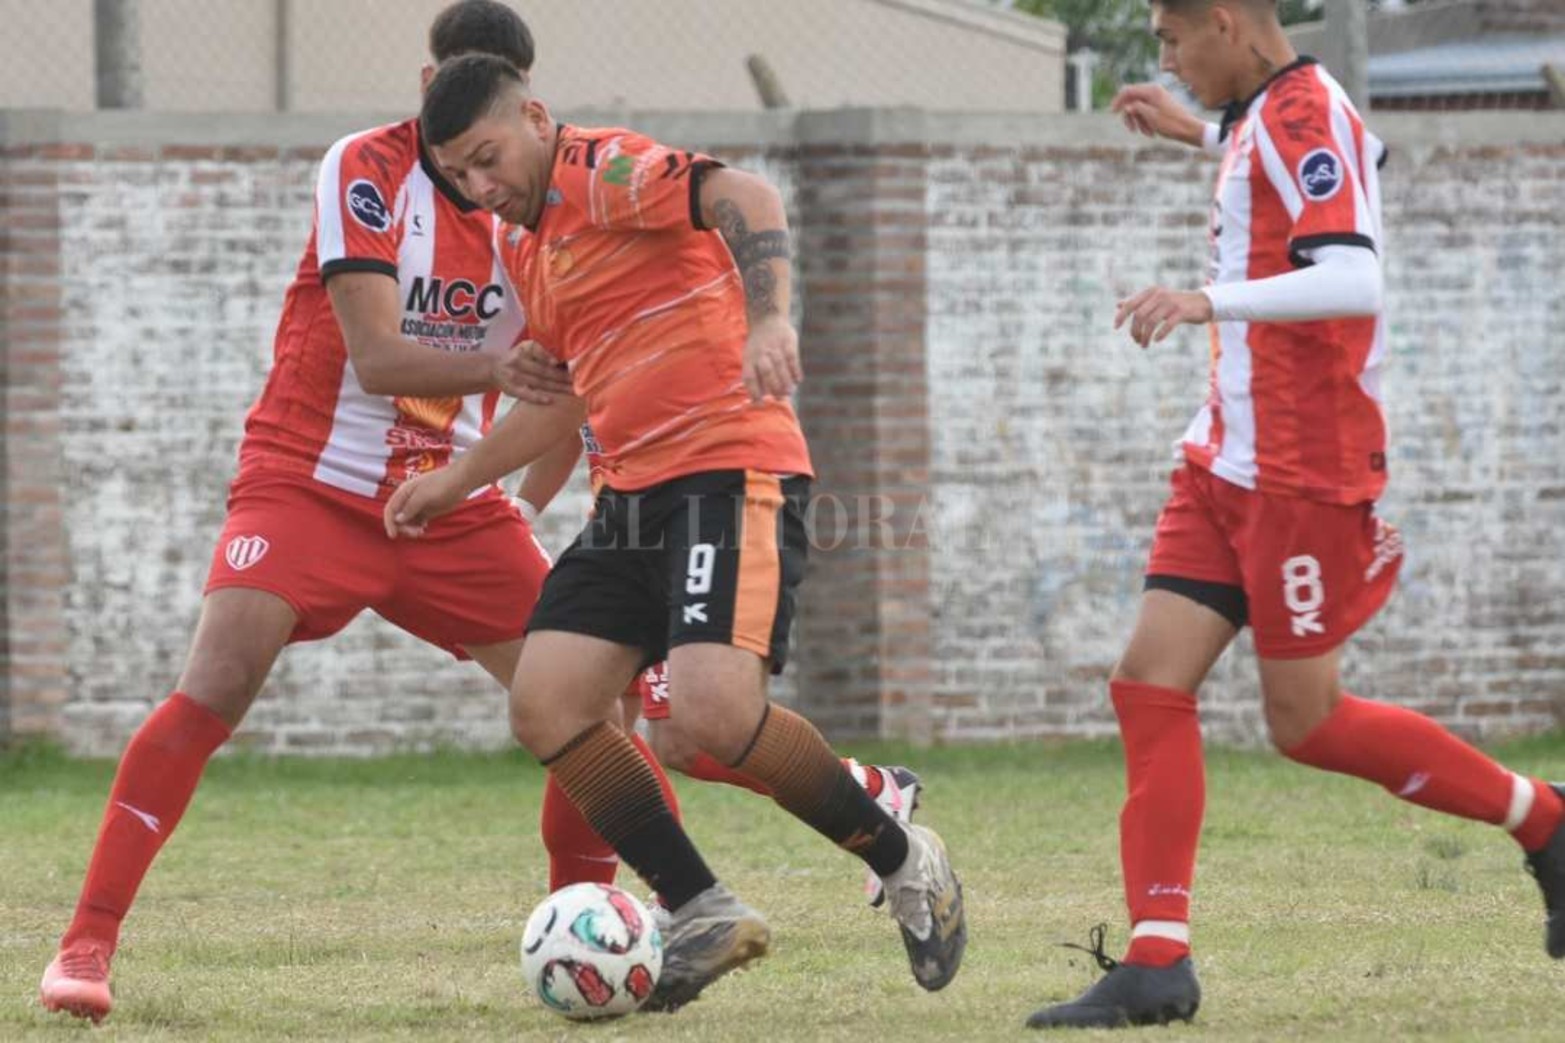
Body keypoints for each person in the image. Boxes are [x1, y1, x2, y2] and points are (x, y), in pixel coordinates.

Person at [34, 2, 668, 1023]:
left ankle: (607, 920)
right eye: (451, 110)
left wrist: (513, 499)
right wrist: (501, 369)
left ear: (526, 109)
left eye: (489, 134)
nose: (473, 166)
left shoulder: (544, 214)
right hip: (308, 481)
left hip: (452, 506)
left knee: (592, 705)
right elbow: (376, 356)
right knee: (216, 681)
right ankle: (87, 941)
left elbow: (566, 396)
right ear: (426, 88)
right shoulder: (362, 167)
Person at [1026, 0, 1565, 1030]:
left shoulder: (1303, 111)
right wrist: (1199, 134)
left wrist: (1206, 298)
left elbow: (1353, 278)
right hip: (1222, 458)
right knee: (1147, 682)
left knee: (1305, 723)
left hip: (1298, 470)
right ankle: (1156, 958)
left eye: (1172, 37)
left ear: (1227, 22)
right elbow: (1292, 164)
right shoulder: (1266, 113)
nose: (1166, 59)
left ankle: (1540, 816)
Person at [412, 54, 968, 1011]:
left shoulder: (601, 169)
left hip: (727, 468)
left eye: (486, 158)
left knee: (709, 717)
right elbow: (571, 393)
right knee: (547, 702)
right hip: (630, 498)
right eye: (457, 174)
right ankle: (702, 906)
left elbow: (745, 195)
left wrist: (769, 320)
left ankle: (904, 857)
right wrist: (458, 478)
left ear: (534, 119)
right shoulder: (524, 245)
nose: (478, 185)